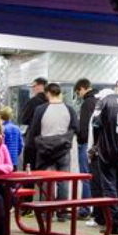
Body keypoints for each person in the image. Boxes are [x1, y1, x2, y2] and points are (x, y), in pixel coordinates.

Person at [27, 83, 77, 220]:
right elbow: (75, 127)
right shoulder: (69, 109)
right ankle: (62, 212)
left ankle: (46, 212)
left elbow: (34, 129)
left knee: (47, 181)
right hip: (63, 150)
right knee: (63, 181)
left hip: (45, 150)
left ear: (48, 93)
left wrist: (33, 147)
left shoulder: (40, 109)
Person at [89, 87, 118, 228]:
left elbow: (96, 125)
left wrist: (95, 146)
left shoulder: (104, 102)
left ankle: (114, 222)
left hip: (107, 150)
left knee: (109, 186)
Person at [73, 79, 96, 216]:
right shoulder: (98, 100)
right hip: (96, 144)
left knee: (85, 177)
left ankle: (85, 209)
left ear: (82, 88)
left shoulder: (87, 103)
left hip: (86, 143)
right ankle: (95, 209)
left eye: (78, 92)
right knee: (94, 177)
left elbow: (84, 125)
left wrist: (80, 140)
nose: (79, 95)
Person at [19, 77, 48, 169]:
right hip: (48, 140)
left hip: (33, 140)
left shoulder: (33, 101)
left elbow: (24, 119)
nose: (33, 88)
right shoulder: (51, 102)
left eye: (34, 86)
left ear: (41, 86)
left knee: (30, 168)